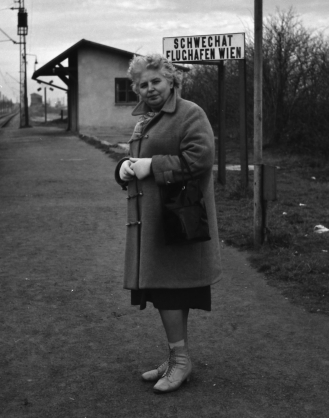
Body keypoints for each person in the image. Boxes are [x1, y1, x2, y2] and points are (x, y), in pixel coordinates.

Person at [114, 54, 222, 394]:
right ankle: (177, 356)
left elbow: (200, 159)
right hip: (153, 222)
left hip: (176, 219)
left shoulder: (190, 113)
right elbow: (138, 160)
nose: (150, 89)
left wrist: (151, 166)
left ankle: (180, 361)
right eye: (143, 84)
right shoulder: (147, 119)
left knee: (168, 291)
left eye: (156, 81)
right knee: (169, 291)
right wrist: (123, 169)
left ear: (172, 80)